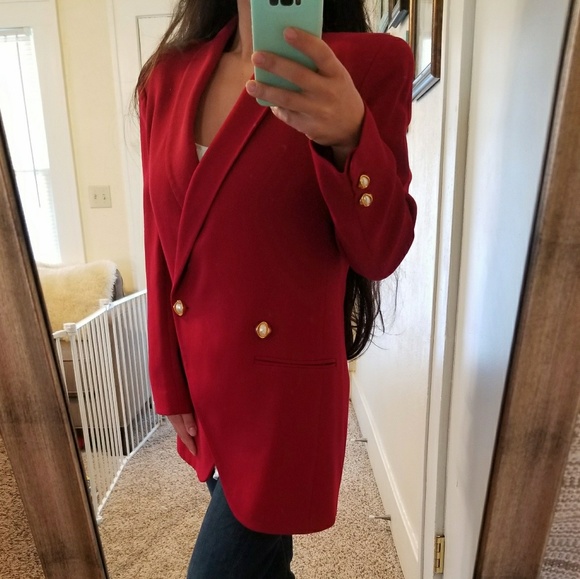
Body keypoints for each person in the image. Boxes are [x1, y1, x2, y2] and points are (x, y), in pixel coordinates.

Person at [137, 0, 416, 576]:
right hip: (203, 378)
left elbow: (382, 251)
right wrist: (168, 380)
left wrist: (351, 137)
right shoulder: (166, 77)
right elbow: (162, 243)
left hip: (287, 395)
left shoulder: (371, 65)